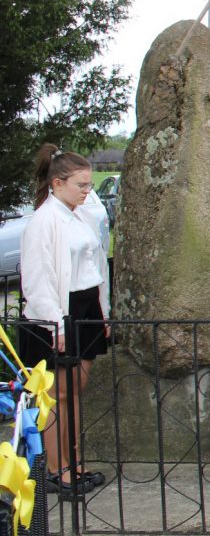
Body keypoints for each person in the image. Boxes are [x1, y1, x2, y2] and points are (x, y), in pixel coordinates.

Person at [18, 145, 110, 500]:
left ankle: (74, 460)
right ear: (57, 183)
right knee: (56, 394)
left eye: (89, 185)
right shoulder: (44, 221)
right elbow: (38, 279)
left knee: (74, 391)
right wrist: (54, 323)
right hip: (60, 311)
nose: (88, 192)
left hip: (85, 306)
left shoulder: (78, 215)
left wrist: (102, 311)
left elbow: (95, 266)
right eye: (82, 185)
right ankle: (57, 470)